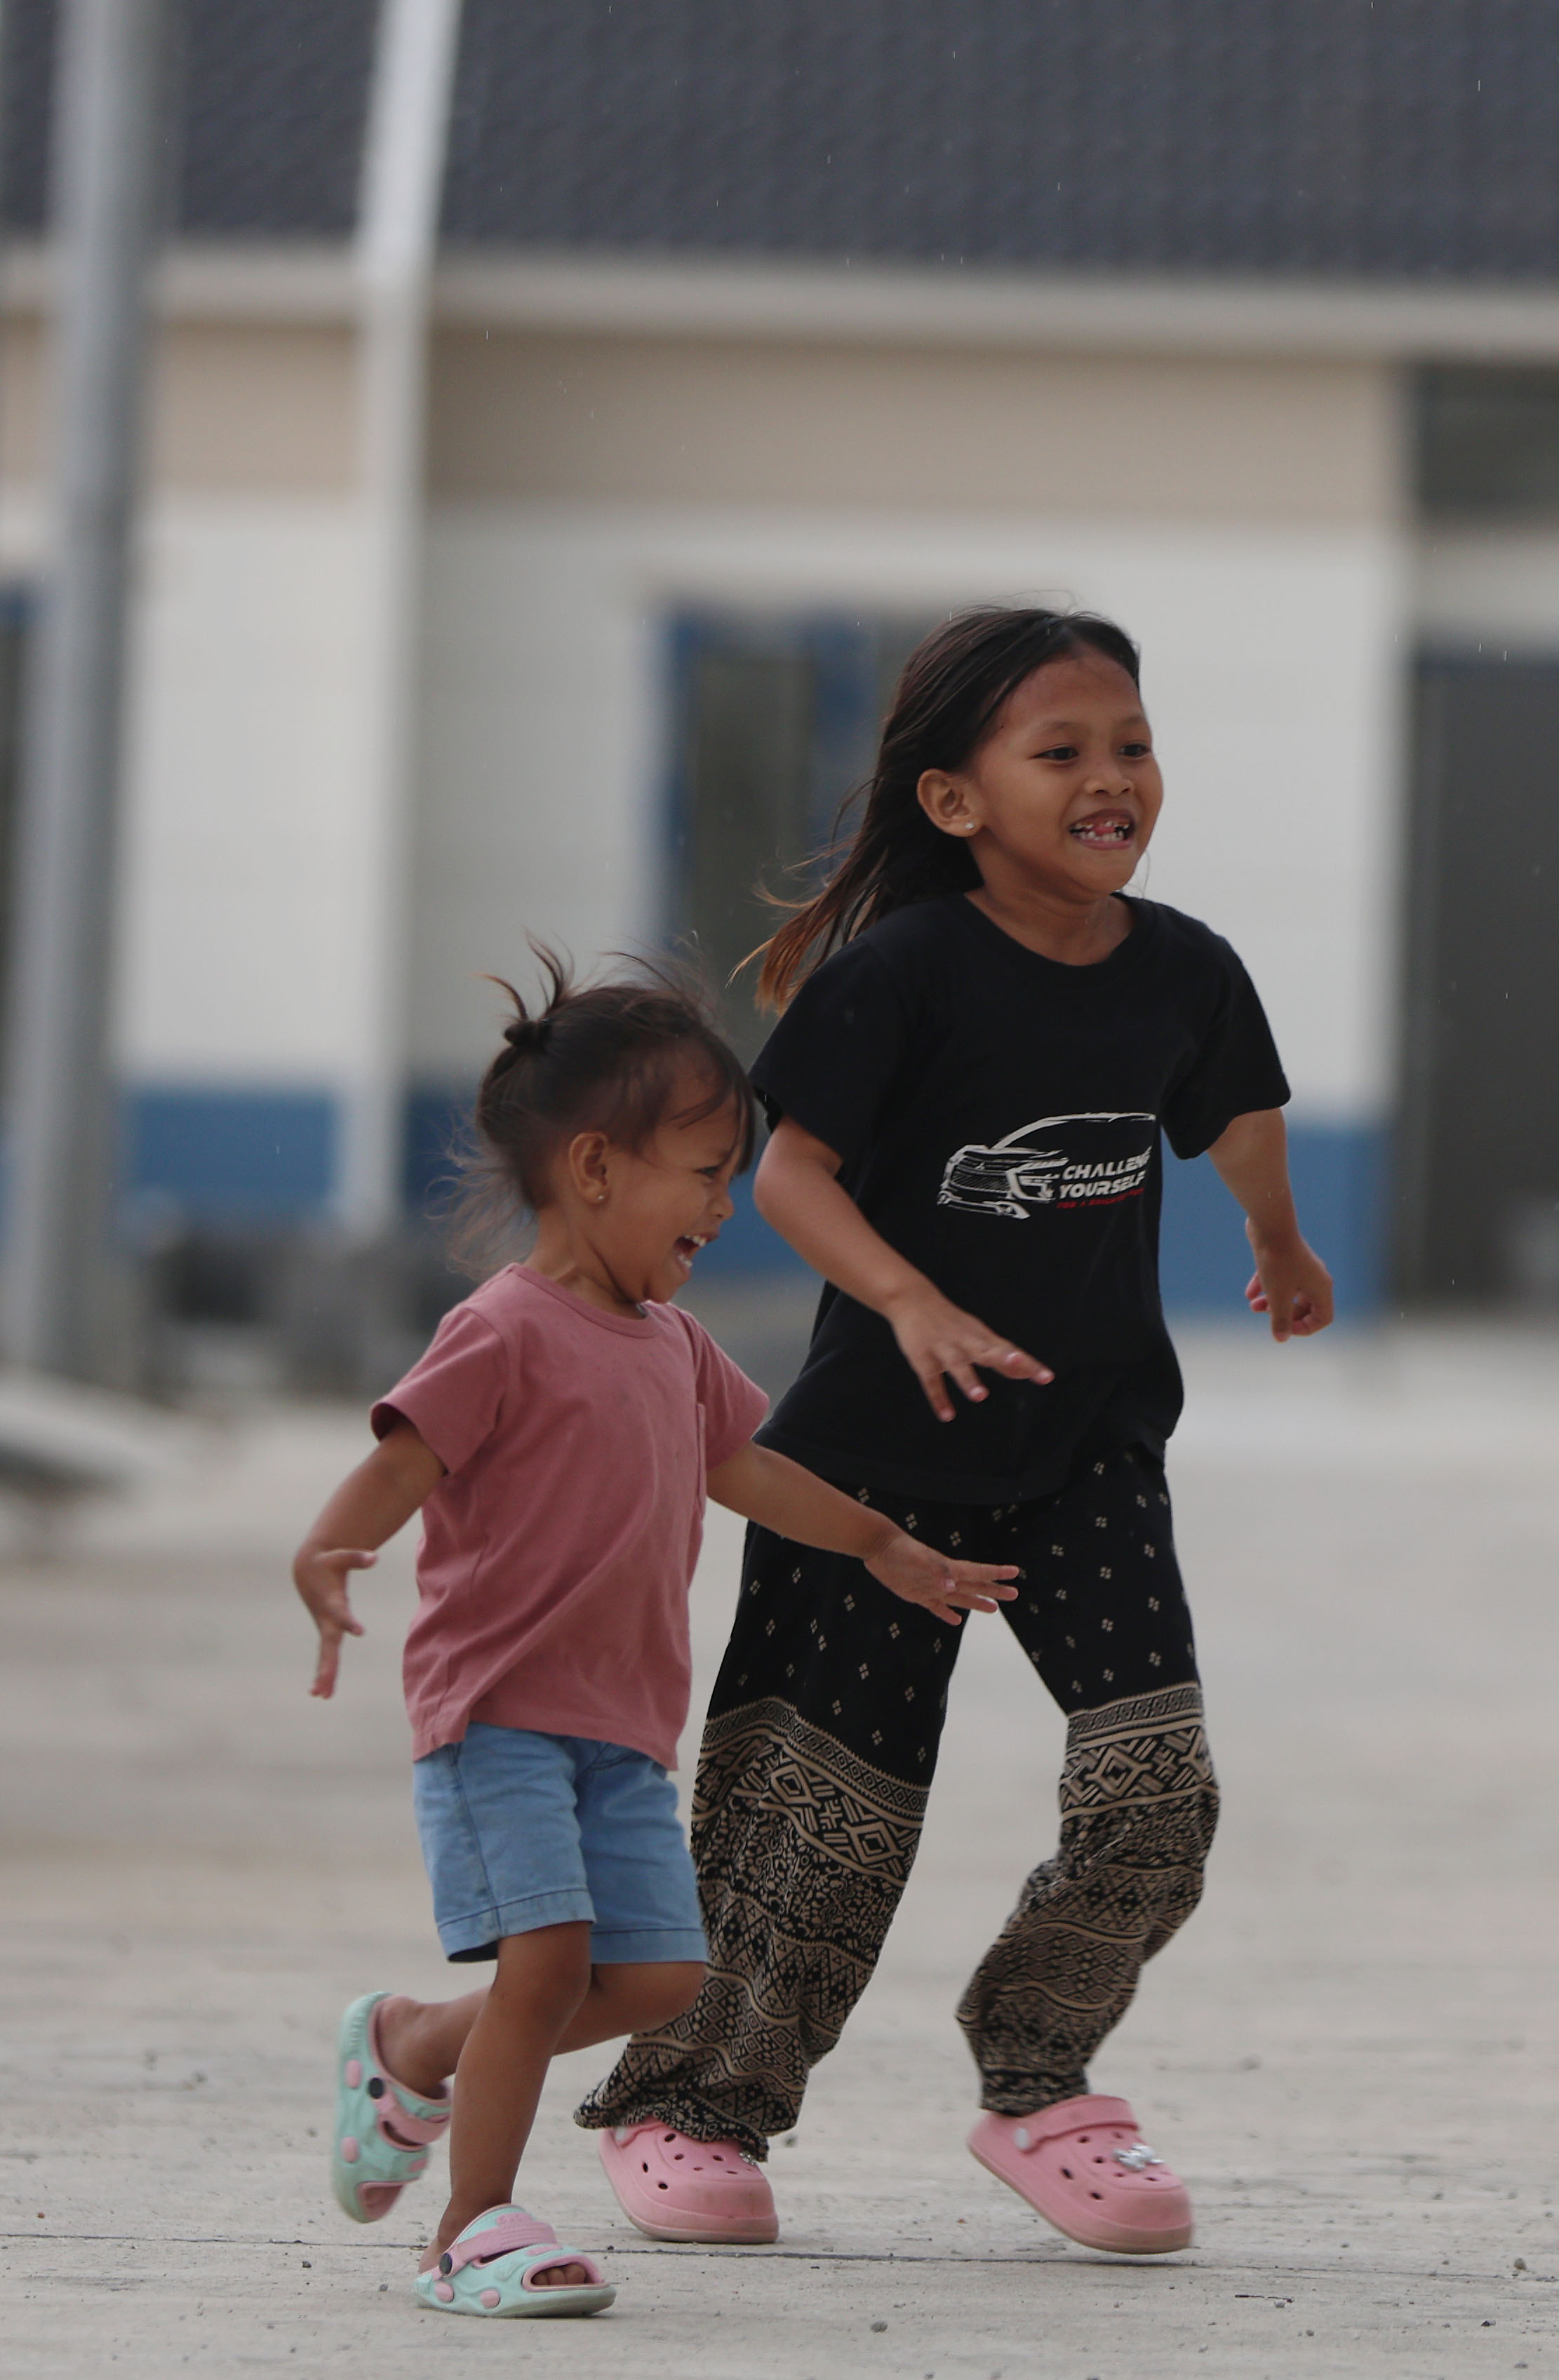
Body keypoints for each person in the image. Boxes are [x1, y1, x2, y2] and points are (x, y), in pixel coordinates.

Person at [580, 605, 1336, 2258]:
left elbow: (1242, 1111)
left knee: (1159, 1787)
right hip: (869, 1461)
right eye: (1058, 751)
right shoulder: (900, 973)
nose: (1109, 778)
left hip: (1085, 1455)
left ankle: (1041, 2079)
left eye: (1128, 743)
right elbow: (791, 1172)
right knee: (819, 1818)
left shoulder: (1185, 968)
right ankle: (692, 2101)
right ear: (954, 800)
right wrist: (909, 1300)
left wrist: (1279, 1243)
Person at [293, 955, 1020, 2318]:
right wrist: (331, 1545)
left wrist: (878, 1539)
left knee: (657, 1973)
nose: (723, 1203)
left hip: (622, 1730)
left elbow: (748, 1465)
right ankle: (469, 2228)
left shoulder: (673, 1348)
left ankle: (410, 2050)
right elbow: (403, 1451)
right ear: (592, 1166)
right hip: (499, 1711)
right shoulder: (502, 1326)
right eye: (701, 1170)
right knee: (550, 1961)